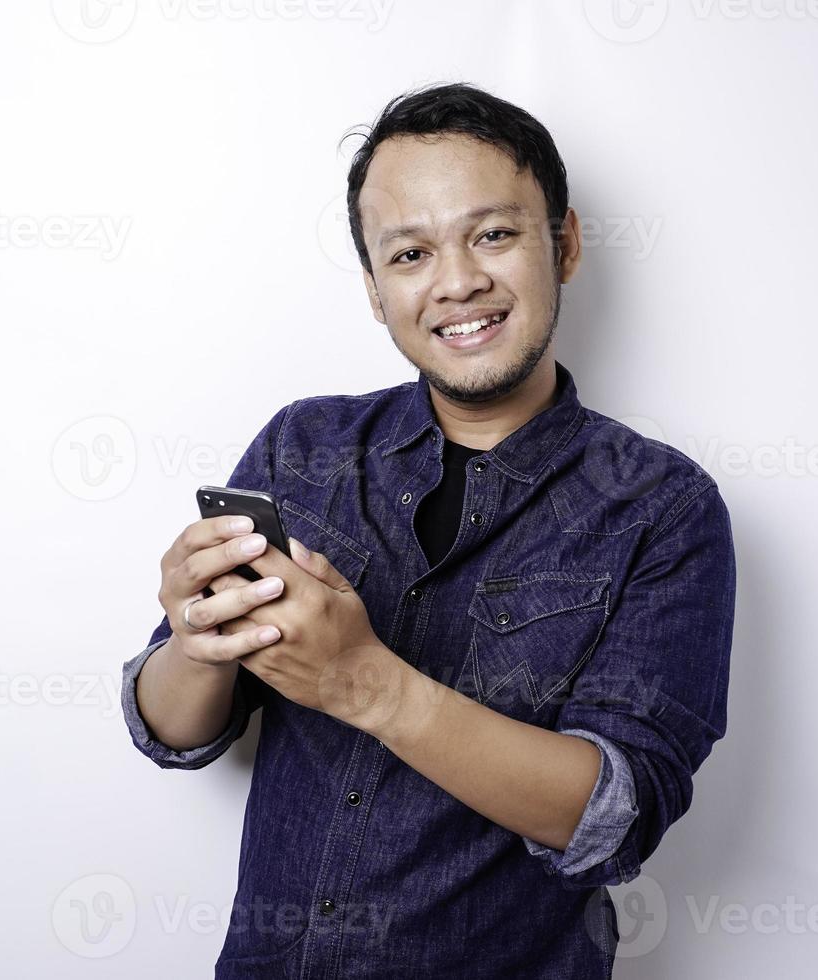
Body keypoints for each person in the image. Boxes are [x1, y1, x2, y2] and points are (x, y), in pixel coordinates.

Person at [120, 81, 737, 979]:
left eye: (493, 234)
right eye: (410, 253)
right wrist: (196, 640)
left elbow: (614, 818)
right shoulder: (305, 447)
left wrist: (365, 683)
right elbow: (171, 732)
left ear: (561, 244)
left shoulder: (663, 508)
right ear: (375, 291)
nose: (458, 283)